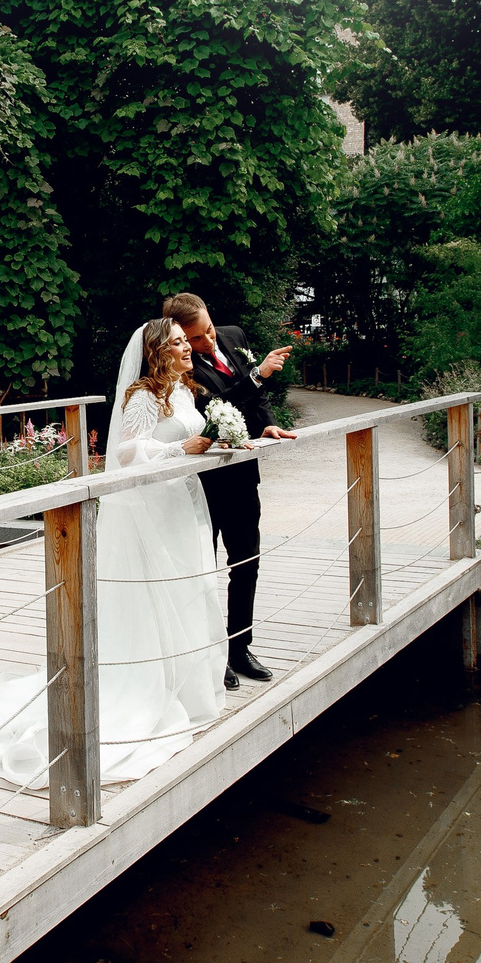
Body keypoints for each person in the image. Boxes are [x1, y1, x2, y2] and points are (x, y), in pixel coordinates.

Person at [0, 318, 227, 786]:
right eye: (178, 343)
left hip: (180, 501)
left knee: (187, 586)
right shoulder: (141, 396)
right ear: (158, 351)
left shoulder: (184, 389)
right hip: (150, 504)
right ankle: (147, 686)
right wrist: (182, 450)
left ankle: (190, 684)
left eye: (186, 341)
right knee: (153, 593)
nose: (187, 347)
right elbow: (124, 453)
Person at [162, 292, 296, 687]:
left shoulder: (234, 335)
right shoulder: (179, 364)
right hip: (203, 483)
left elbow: (256, 398)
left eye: (207, 332)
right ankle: (211, 653)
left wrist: (268, 422)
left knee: (246, 563)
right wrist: (257, 376)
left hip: (242, 475)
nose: (207, 342)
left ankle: (240, 648)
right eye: (195, 338)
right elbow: (213, 409)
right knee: (202, 569)